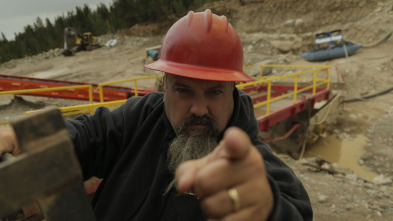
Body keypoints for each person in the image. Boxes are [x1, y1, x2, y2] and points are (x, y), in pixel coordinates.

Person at [0, 9, 312, 221]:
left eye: (214, 92)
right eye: (184, 90)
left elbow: (292, 208)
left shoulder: (253, 163)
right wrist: (22, 136)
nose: (199, 109)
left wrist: (268, 208)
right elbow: (89, 133)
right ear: (164, 86)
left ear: (234, 89)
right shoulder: (142, 116)